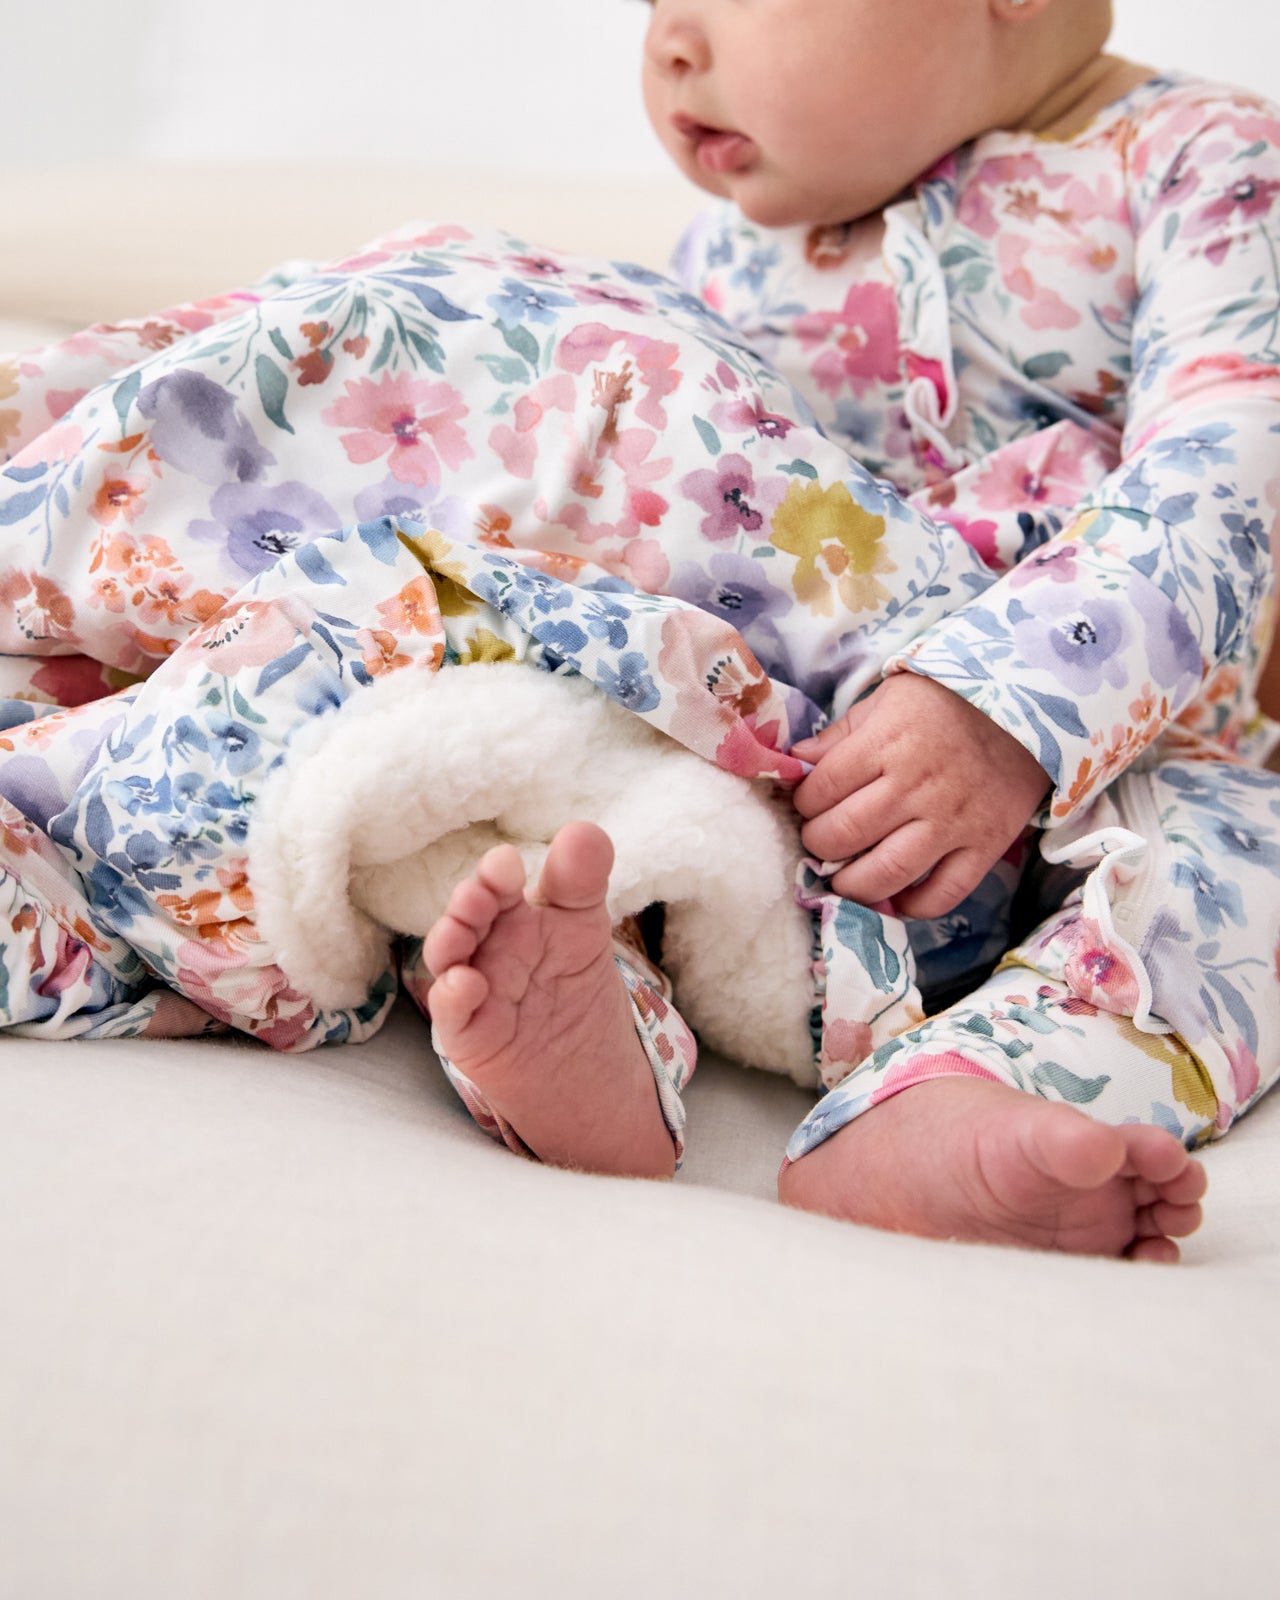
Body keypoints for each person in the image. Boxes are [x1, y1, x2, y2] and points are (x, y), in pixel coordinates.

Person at [424, 0, 1280, 1258]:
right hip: (792, 764)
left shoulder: (1202, 166)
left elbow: (1227, 466)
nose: (670, 46)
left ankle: (965, 1093)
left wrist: (1009, 696)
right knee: (517, 743)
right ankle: (598, 1025)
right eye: (658, 4)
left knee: (1241, 874)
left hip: (1119, 779)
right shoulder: (728, 256)